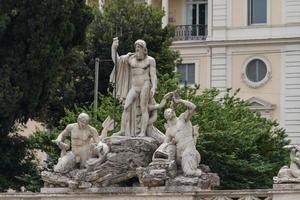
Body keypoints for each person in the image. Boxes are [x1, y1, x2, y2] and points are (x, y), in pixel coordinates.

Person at [110, 38, 157, 137]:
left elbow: (153, 75)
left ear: (144, 49)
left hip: (145, 85)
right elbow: (117, 61)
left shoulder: (150, 60)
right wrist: (114, 48)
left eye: (139, 47)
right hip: (134, 86)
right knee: (126, 107)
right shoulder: (130, 58)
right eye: (136, 47)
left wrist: (154, 87)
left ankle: (143, 132)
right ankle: (122, 130)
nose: (137, 49)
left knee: (143, 108)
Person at [163, 96, 202, 177]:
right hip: (178, 154)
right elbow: (164, 145)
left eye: (170, 111)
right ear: (166, 117)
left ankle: (198, 172)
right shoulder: (169, 130)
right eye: (167, 112)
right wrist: (171, 143)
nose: (170, 112)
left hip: (189, 148)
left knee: (189, 173)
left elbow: (193, 107)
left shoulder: (182, 118)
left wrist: (179, 101)